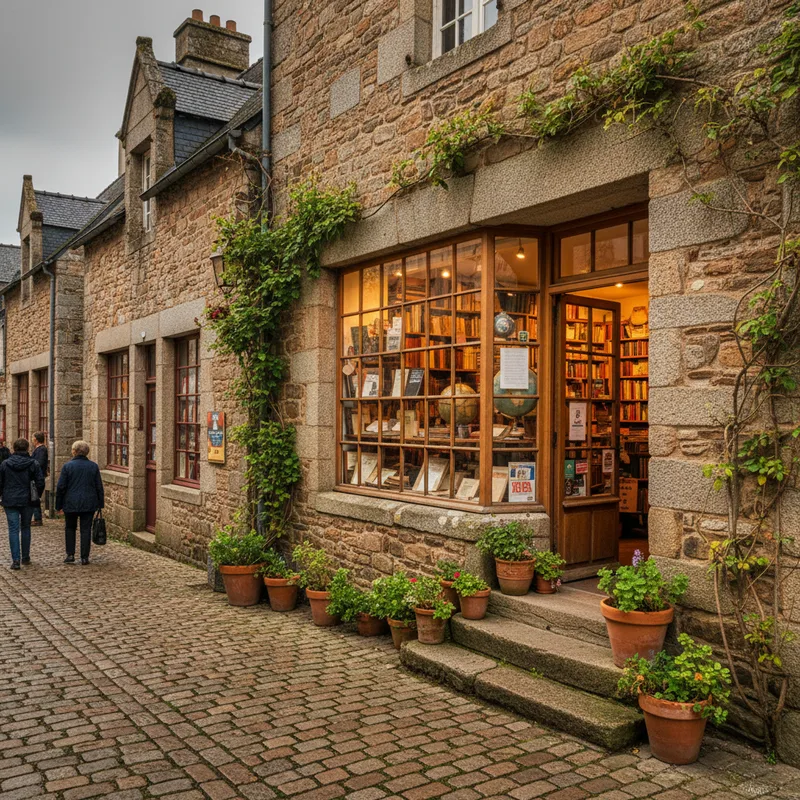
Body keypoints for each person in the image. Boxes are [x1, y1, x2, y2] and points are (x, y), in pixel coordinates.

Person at [55, 440, 104, 565]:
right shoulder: (93, 466)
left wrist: (58, 505)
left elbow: (61, 487)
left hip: (70, 502)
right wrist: (100, 504)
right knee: (85, 529)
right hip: (89, 502)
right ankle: (84, 557)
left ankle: (70, 554)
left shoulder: (67, 466)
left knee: (70, 528)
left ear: (74, 452)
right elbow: (99, 486)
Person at [0, 438, 45, 570]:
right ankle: (25, 556)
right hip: (28, 500)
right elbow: (40, 482)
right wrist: (36, 495)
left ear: (14, 449)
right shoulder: (33, 464)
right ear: (27, 448)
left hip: (10, 500)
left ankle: (15, 560)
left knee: (13, 529)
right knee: (25, 527)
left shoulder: (5, 464)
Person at [31, 432, 49, 526]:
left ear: (36, 440)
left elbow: (39, 463)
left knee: (35, 498)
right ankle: (36, 518)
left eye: (33, 438)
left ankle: (38, 519)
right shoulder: (38, 449)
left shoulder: (41, 450)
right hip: (37, 477)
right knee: (34, 498)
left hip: (38, 478)